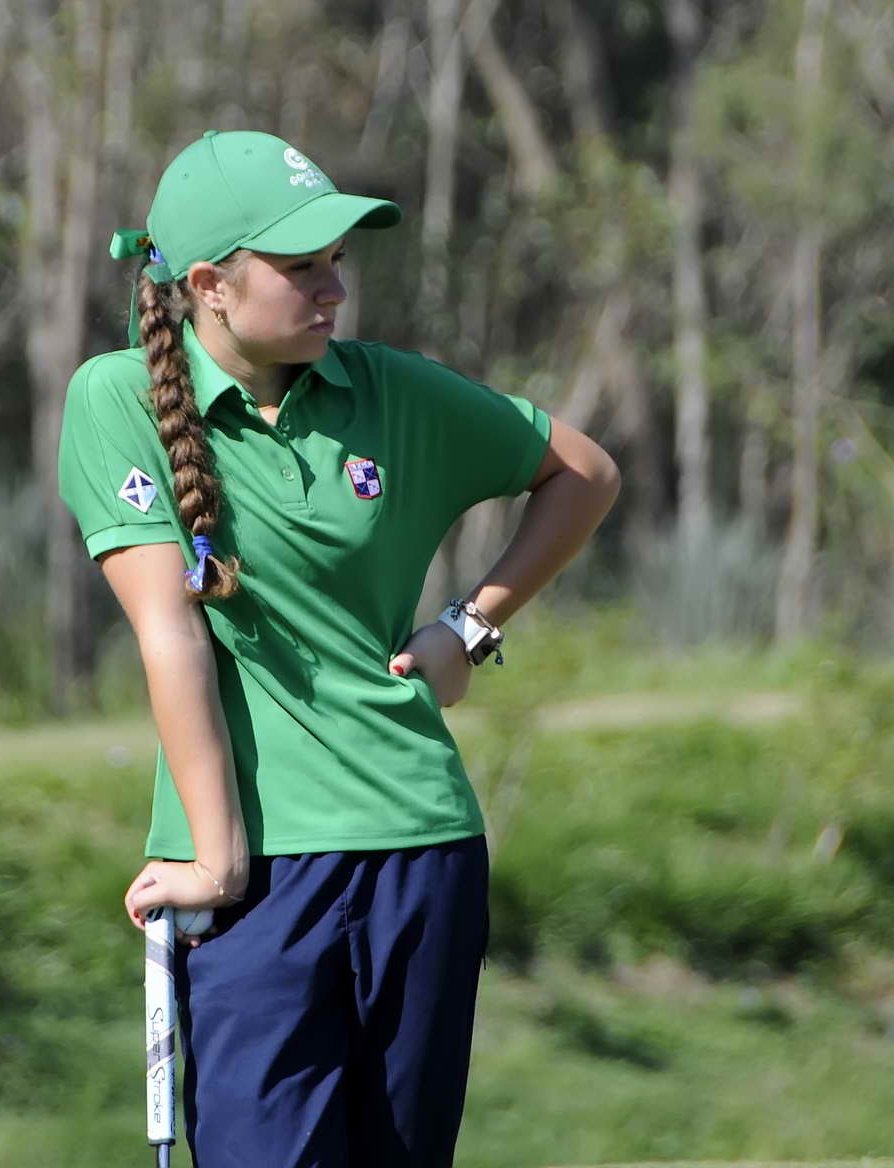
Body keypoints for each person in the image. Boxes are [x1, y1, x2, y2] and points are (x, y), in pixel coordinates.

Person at [57, 129, 619, 1167]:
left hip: (422, 850)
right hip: (257, 879)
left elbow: (583, 474)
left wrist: (469, 629)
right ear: (209, 285)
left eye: (337, 262)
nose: (334, 290)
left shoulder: (391, 391)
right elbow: (170, 633)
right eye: (301, 267)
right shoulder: (115, 398)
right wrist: (217, 856)